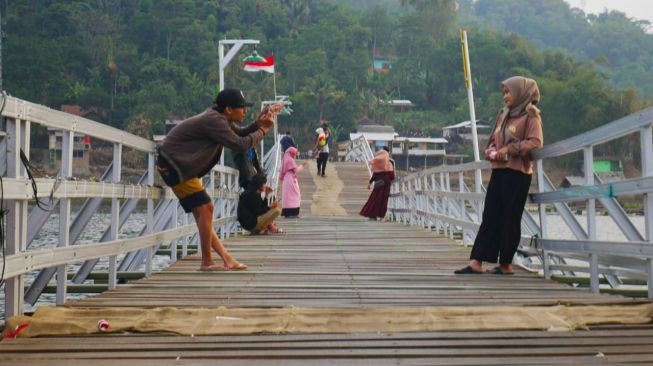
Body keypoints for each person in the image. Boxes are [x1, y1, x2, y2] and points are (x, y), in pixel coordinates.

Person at [157, 88, 275, 272]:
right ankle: (207, 261)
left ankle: (226, 259)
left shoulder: (220, 119)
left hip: (180, 166)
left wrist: (257, 125)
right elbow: (240, 144)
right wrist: (263, 130)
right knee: (206, 208)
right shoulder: (214, 121)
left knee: (204, 212)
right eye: (242, 107)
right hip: (174, 166)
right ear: (229, 109)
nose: (244, 111)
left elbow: (240, 134)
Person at [455, 76, 543, 275]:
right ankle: (476, 262)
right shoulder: (504, 114)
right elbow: (495, 138)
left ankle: (506, 264)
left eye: (508, 92)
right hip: (499, 170)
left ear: (521, 92)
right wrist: (493, 149)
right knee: (490, 215)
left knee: (510, 218)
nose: (505, 96)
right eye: (504, 92)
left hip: (517, 173)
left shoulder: (531, 115)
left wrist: (510, 149)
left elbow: (536, 142)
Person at [359, 146, 395, 220]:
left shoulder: (378, 161)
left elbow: (375, 173)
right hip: (386, 184)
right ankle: (381, 215)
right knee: (383, 201)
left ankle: (372, 215)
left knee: (374, 199)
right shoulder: (390, 162)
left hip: (378, 184)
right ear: (388, 152)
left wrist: (370, 182)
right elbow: (392, 176)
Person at [280, 147, 308, 218]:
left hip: (287, 179)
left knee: (288, 197)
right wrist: (302, 165)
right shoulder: (290, 160)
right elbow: (296, 170)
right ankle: (294, 213)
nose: (295, 154)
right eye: (295, 153)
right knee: (295, 195)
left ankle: (288, 213)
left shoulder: (286, 159)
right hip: (291, 180)